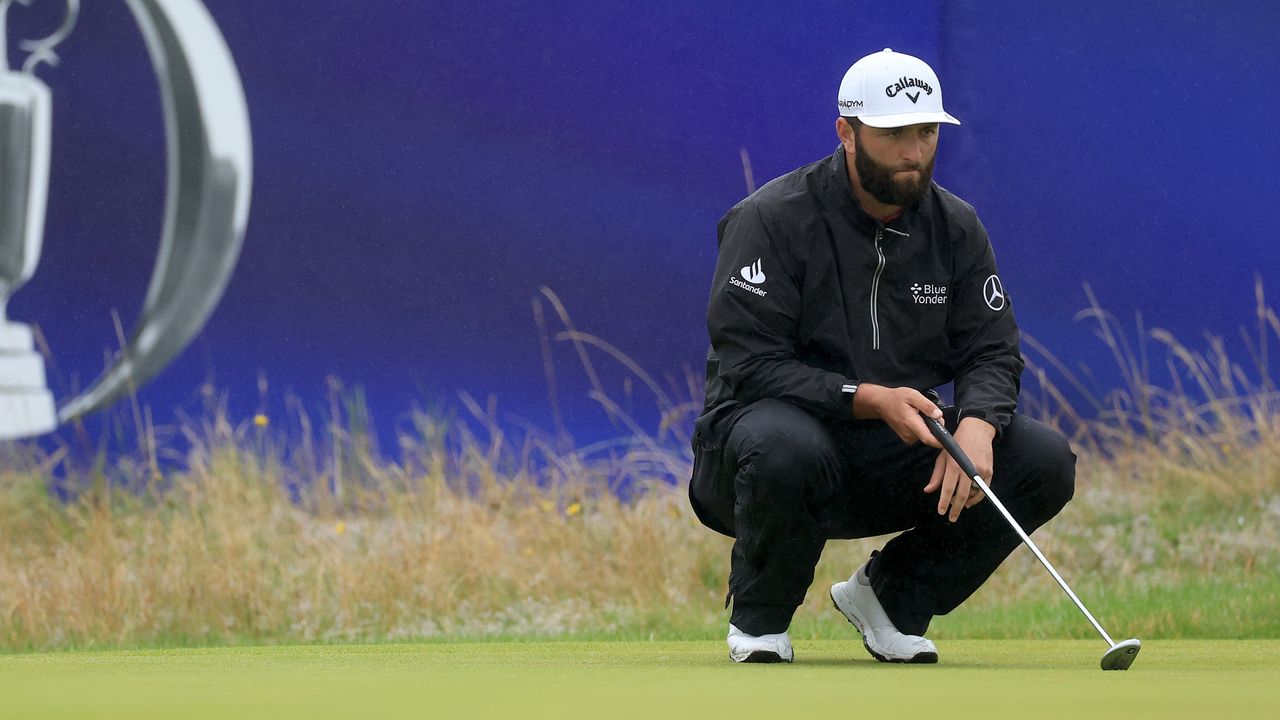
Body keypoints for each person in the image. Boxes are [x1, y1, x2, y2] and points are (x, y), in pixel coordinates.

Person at [688, 48, 1076, 664]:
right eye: (894, 133)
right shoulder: (771, 219)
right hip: (761, 457)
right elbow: (751, 366)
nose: (914, 151)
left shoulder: (956, 228)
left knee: (1041, 460)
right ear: (847, 132)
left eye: (926, 132)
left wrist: (977, 423)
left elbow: (992, 350)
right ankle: (759, 624)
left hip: (892, 453)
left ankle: (891, 599)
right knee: (786, 443)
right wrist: (865, 398)